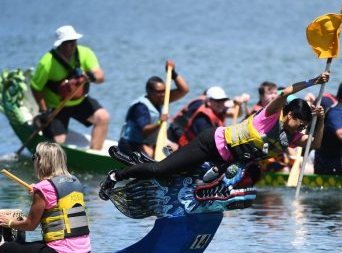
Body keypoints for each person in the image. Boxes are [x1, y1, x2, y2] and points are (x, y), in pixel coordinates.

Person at [99, 72, 329, 196]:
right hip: (211, 143)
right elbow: (287, 91)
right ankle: (115, 176)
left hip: (224, 162)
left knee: (188, 181)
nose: (301, 127)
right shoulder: (270, 116)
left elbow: (315, 145)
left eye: (304, 125)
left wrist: (321, 120)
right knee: (160, 170)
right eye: (299, 121)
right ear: (288, 114)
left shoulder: (292, 138)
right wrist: (313, 81)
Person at [0, 142, 91, 253]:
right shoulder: (75, 181)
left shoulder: (43, 189)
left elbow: (30, 225)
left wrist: (10, 222)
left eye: (34, 158)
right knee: (27, 247)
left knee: (5, 249)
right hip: (84, 252)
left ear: (41, 161)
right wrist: (39, 189)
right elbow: (56, 195)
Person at [31, 25, 109, 150]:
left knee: (103, 117)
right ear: (59, 44)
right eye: (67, 42)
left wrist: (92, 77)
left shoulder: (85, 53)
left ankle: (94, 153)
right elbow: (36, 87)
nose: (71, 45)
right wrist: (44, 111)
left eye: (73, 41)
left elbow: (100, 76)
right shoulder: (47, 63)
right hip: (56, 106)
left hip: (79, 102)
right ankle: (44, 127)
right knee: (59, 141)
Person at [118, 61, 189, 157]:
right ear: (149, 92)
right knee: (150, 155)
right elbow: (144, 131)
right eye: (159, 92)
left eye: (164, 91)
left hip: (151, 143)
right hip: (131, 145)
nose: (163, 94)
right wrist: (160, 122)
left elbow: (184, 90)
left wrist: (173, 74)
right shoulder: (141, 108)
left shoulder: (160, 100)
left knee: (175, 148)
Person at [177, 87, 248, 146]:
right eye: (218, 101)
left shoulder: (218, 109)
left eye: (223, 100)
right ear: (209, 102)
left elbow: (237, 114)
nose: (221, 103)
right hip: (191, 148)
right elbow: (210, 141)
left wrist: (238, 104)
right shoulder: (202, 118)